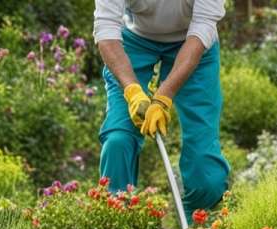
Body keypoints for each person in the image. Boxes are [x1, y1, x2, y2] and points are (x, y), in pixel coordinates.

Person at [94, 0, 230, 216]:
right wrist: (133, 91)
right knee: (118, 141)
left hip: (193, 42)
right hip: (133, 42)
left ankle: (202, 228)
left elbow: (202, 30)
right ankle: (116, 226)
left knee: (204, 165)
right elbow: (106, 31)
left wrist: (162, 98)